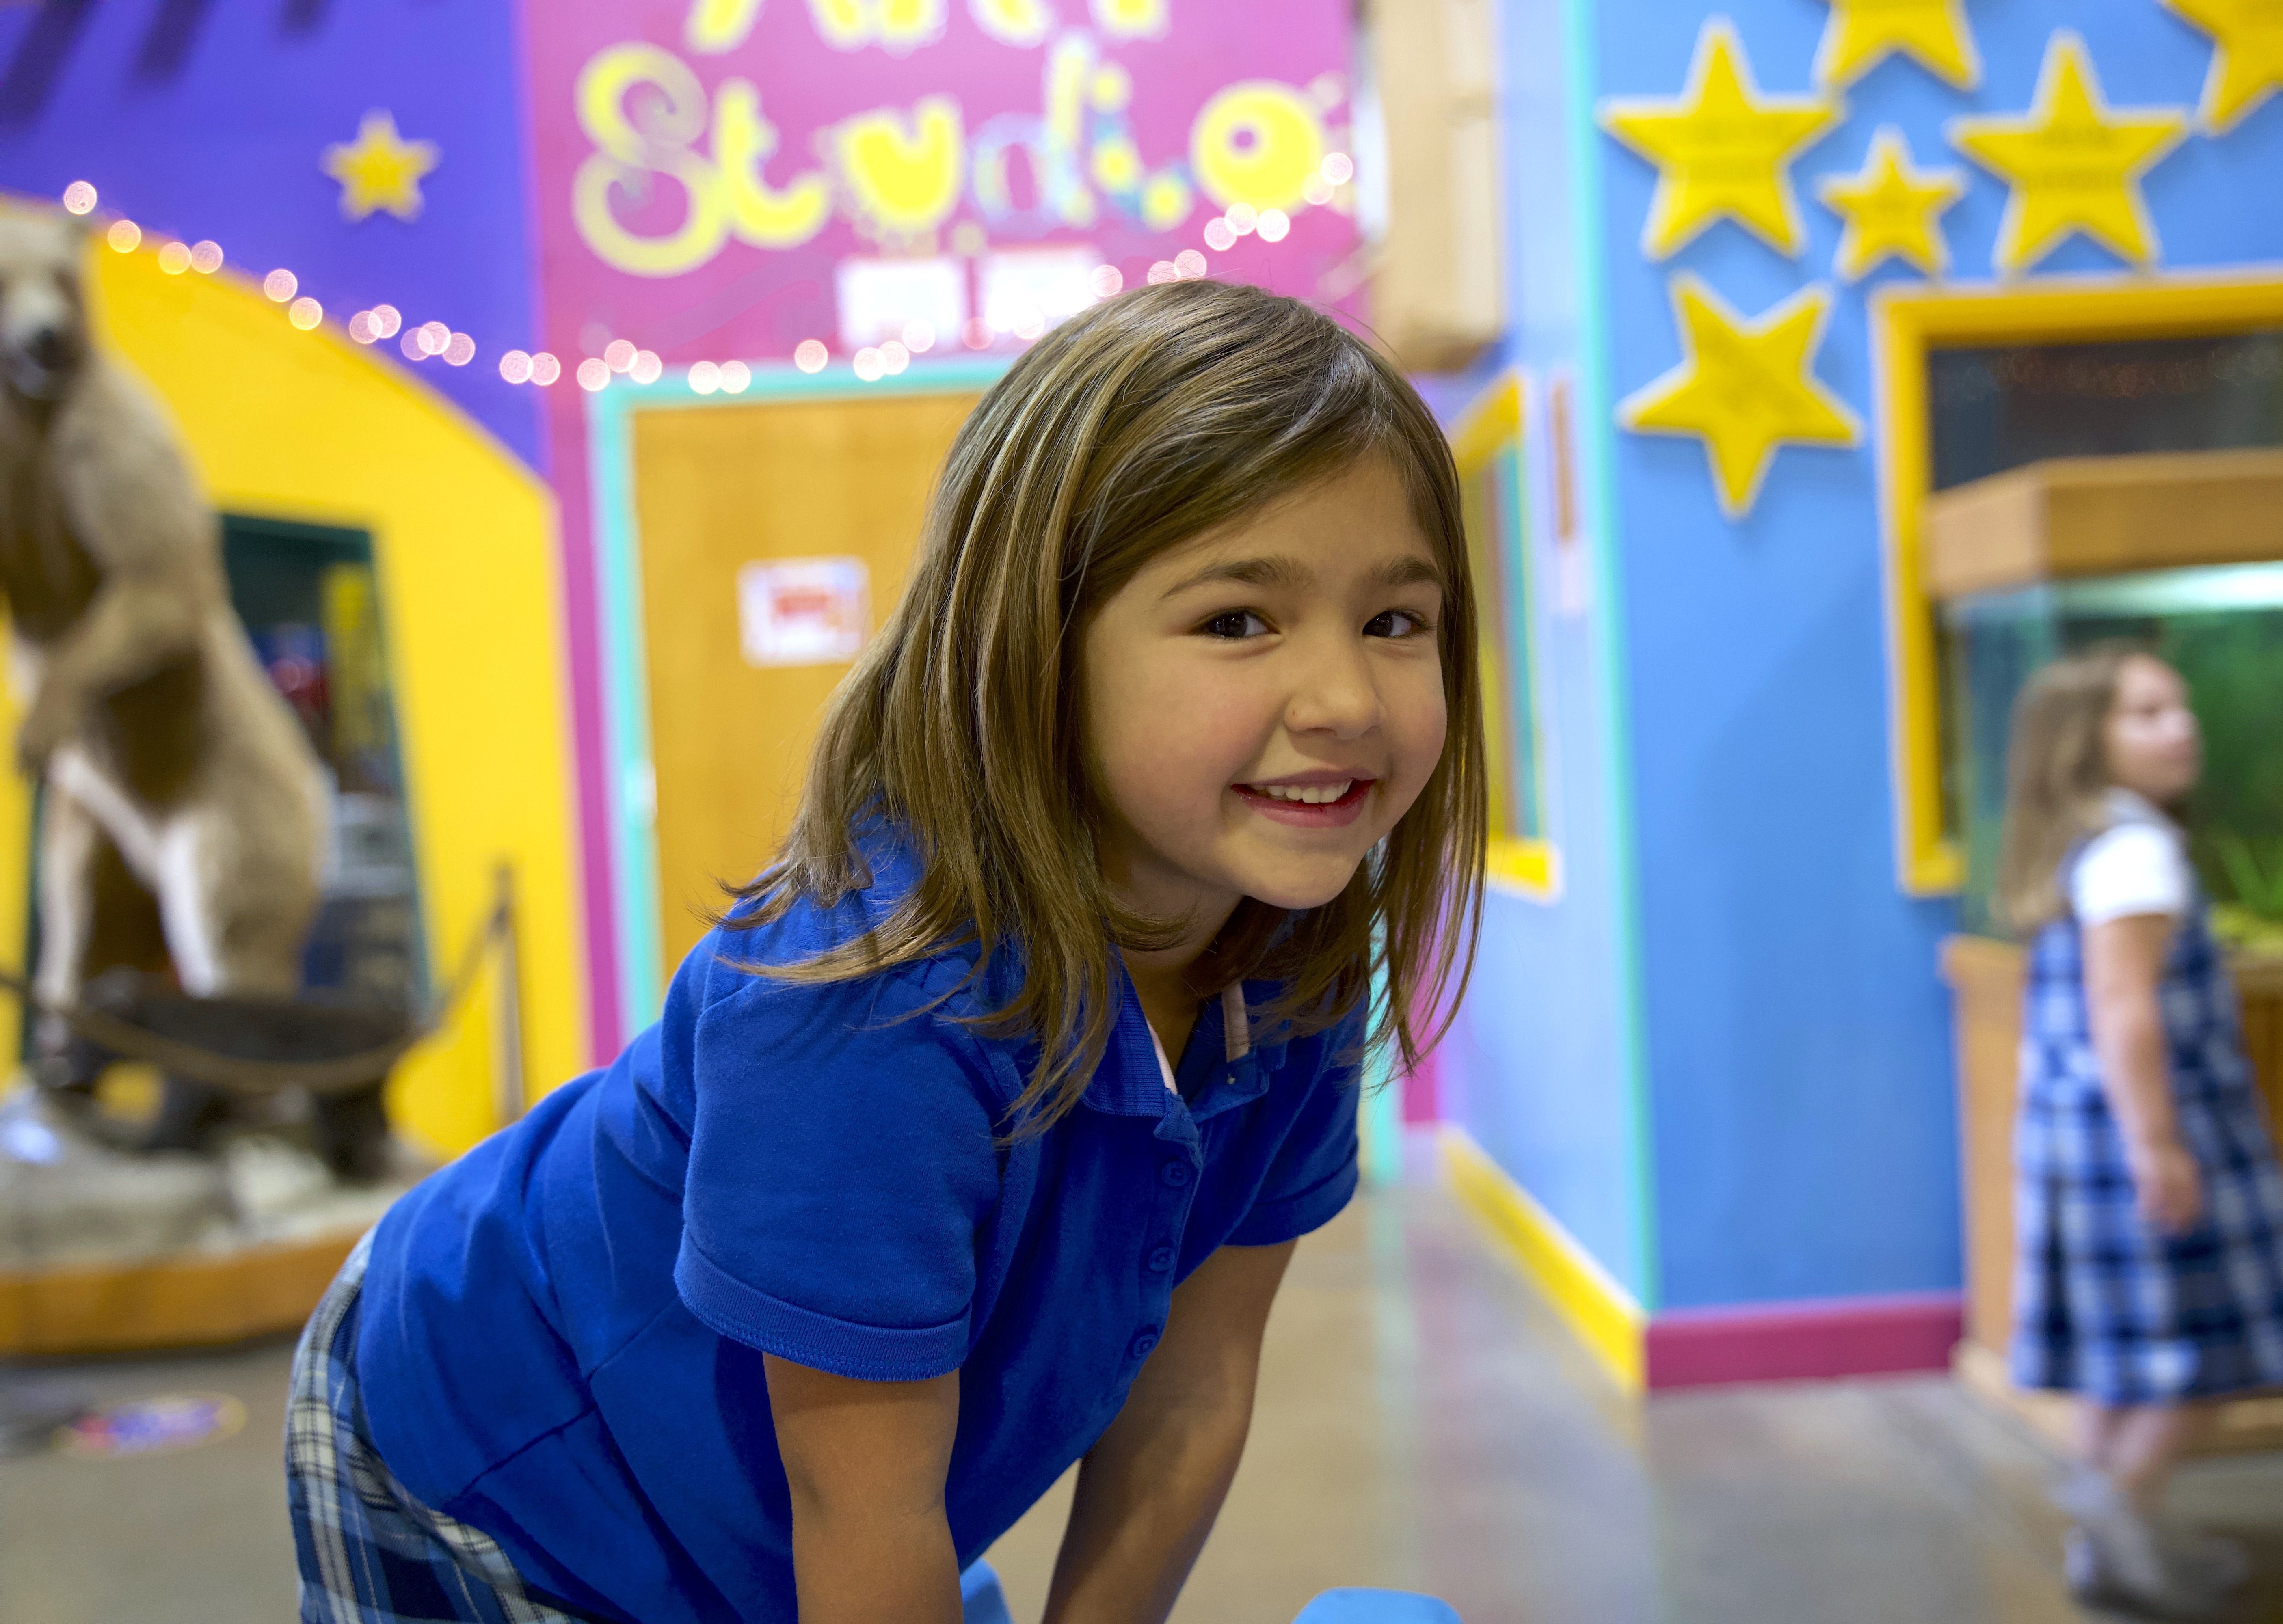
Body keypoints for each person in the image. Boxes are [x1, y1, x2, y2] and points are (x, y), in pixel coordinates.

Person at [284, 281, 1486, 1624]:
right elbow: (866, 1509)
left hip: (774, 1499)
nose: (1343, 701)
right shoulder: (874, 1009)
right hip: (499, 1452)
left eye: (1395, 622)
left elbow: (1194, 1392)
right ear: (1035, 647)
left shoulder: (1295, 958)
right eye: (1236, 621)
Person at [1996, 643, 2283, 1618]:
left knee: (2124, 1354)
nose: (2180, 726)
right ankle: (2125, 1509)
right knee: (2198, 1347)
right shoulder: (2136, 851)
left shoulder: (2086, 842)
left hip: (2076, 1132)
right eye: (2145, 713)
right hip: (2140, 1130)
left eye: (2180, 706)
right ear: (2082, 740)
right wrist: (2159, 1141)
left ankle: (2112, 1536)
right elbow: (2125, 1007)